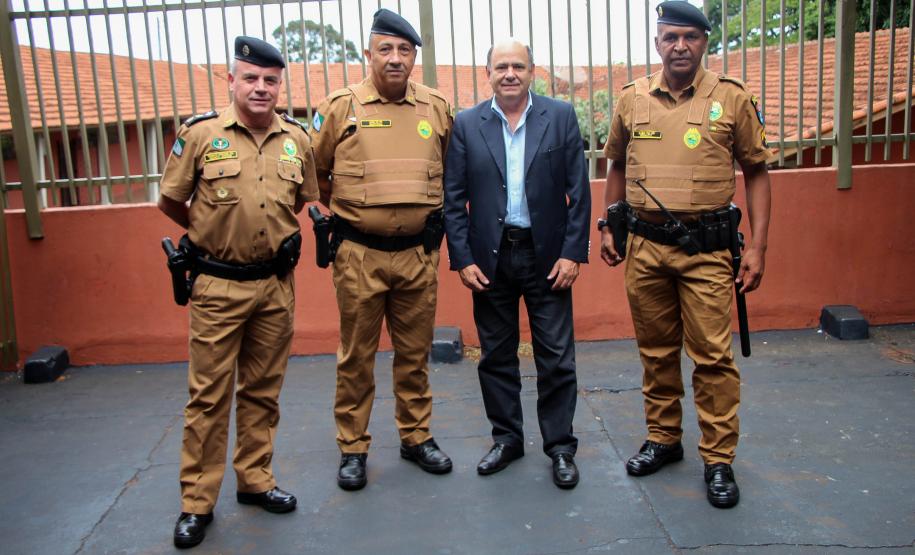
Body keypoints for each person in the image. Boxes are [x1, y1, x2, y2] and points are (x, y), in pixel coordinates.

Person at [599, 0, 771, 508]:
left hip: (706, 252)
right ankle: (663, 438)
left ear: (704, 43)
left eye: (690, 37)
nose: (680, 46)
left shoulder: (732, 98)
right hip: (645, 250)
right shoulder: (631, 98)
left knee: (712, 357)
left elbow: (757, 173)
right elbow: (615, 165)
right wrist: (608, 225)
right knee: (655, 350)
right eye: (670, 37)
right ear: (657, 42)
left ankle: (718, 459)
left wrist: (758, 247)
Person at [158, 36, 318, 548]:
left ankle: (255, 479)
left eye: (270, 80)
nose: (261, 88)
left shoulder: (296, 139)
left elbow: (300, 201)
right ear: (231, 81)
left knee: (263, 391)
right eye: (250, 78)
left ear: (280, 85)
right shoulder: (200, 134)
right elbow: (171, 200)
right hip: (217, 285)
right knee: (208, 398)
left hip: (274, 286)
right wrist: (209, 232)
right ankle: (196, 502)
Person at [310, 8, 453, 491]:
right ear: (368, 54)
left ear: (414, 57)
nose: (395, 58)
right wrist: (355, 211)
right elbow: (317, 174)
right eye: (385, 49)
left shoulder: (436, 108)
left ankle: (416, 436)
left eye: (404, 50)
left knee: (414, 353)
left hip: (417, 255)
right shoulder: (339, 108)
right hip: (359, 255)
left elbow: (449, 172)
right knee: (357, 356)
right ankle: (353, 447)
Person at [443, 38, 591, 489]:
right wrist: (462, 258)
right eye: (501, 66)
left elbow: (579, 192)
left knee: (557, 357)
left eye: (519, 66)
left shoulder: (560, 116)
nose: (510, 74)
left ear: (532, 71)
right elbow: (453, 199)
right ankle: (506, 439)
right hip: (491, 257)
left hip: (547, 254)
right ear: (487, 73)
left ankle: (560, 447)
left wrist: (572, 252)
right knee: (495, 356)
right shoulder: (467, 124)